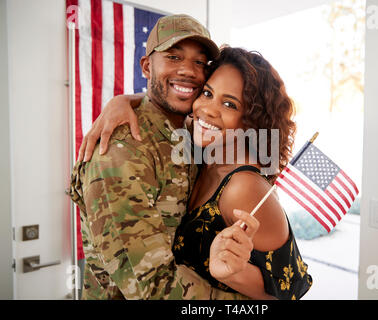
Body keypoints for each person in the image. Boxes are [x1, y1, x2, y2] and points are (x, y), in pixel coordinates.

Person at [79, 47, 313, 300]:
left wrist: (232, 273)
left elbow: (290, 291)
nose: (207, 110)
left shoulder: (244, 187)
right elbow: (162, 104)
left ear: (251, 120)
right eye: (207, 93)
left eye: (229, 104)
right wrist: (121, 102)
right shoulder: (201, 148)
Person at [69, 14, 260, 300]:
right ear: (147, 66)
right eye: (173, 57)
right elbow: (155, 288)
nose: (189, 71)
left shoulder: (190, 133)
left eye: (199, 62)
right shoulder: (120, 153)